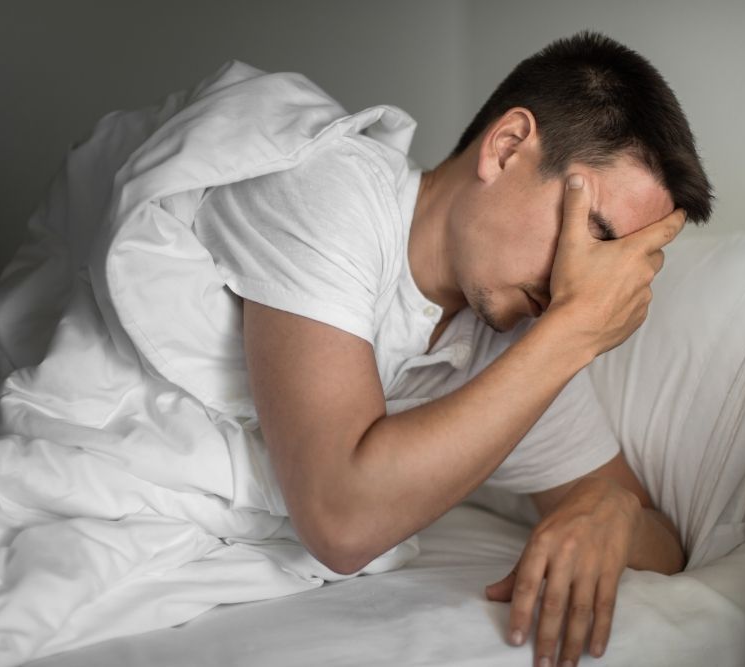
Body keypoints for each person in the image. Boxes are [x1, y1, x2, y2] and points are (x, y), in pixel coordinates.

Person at [194, 29, 712, 667]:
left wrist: (614, 510)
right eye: (590, 233)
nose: (579, 283)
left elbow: (664, 543)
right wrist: (576, 329)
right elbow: (341, 521)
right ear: (507, 146)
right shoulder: (332, 184)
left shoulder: (518, 337)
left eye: (604, 268)